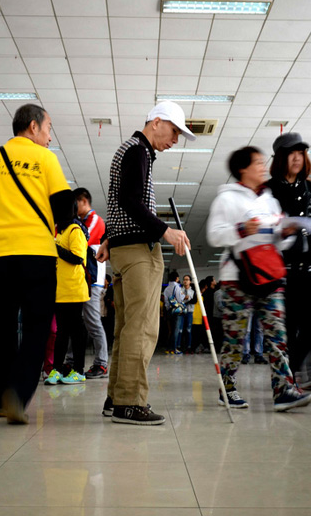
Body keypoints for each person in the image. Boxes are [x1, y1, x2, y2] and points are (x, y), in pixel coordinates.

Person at [0, 103, 73, 424]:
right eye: (49, 128)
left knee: (5, 327)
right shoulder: (45, 159)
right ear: (33, 127)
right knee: (39, 327)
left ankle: (0, 398)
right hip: (37, 254)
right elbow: (65, 209)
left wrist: (3, 204)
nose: (51, 137)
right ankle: (18, 394)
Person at [95, 100, 194, 426]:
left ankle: (116, 397)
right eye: (175, 131)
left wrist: (111, 238)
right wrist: (165, 230)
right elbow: (130, 200)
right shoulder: (137, 149)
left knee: (125, 328)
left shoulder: (132, 151)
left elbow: (118, 201)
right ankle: (130, 403)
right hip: (138, 251)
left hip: (124, 249)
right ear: (157, 121)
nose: (176, 139)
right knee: (143, 327)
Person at [206, 146, 311, 411]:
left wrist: (286, 233)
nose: (264, 167)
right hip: (237, 277)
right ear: (243, 169)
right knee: (235, 337)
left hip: (270, 275)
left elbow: (278, 241)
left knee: (277, 335)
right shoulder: (226, 199)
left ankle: (284, 390)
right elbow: (214, 235)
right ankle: (227, 387)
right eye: (258, 163)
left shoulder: (270, 200)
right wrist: (241, 229)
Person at [265, 134, 311, 392]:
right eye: (291, 153)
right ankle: (286, 382)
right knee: (288, 329)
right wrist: (277, 232)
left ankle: (289, 375)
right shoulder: (268, 191)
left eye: (301, 152)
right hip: (282, 272)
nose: (297, 157)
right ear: (280, 158)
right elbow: (258, 228)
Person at [45, 199, 90, 386]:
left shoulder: (75, 231)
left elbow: (77, 258)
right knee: (61, 332)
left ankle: (79, 371)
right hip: (60, 290)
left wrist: (55, 248)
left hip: (74, 289)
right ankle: (56, 369)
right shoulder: (61, 232)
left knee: (76, 331)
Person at [75, 187, 108, 379]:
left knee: (93, 322)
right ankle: (71, 361)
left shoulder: (94, 221)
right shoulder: (79, 222)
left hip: (92, 281)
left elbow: (81, 242)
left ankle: (101, 364)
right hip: (80, 279)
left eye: (76, 203)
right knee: (78, 322)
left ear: (84, 201)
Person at [162, 271, 182, 354]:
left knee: (170, 330)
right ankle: (174, 348)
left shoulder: (166, 288)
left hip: (168, 311)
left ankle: (168, 348)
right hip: (176, 311)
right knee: (175, 330)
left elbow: (165, 300)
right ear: (177, 278)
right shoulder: (177, 287)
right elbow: (179, 299)